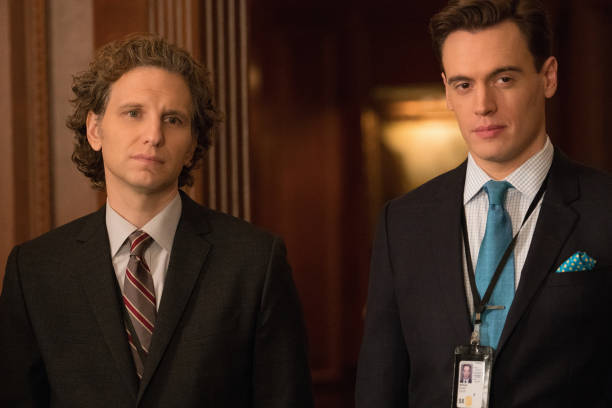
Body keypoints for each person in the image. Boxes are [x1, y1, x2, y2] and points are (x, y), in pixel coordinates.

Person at [0, 34, 313, 407]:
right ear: (95, 130)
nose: (153, 135)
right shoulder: (35, 270)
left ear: (192, 144)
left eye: (173, 119)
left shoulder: (255, 262)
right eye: (134, 113)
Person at [356, 0, 612, 406]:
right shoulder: (402, 222)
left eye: (503, 79)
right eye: (464, 85)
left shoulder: (604, 208)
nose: (483, 105)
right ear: (447, 91)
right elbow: (379, 386)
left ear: (548, 77)